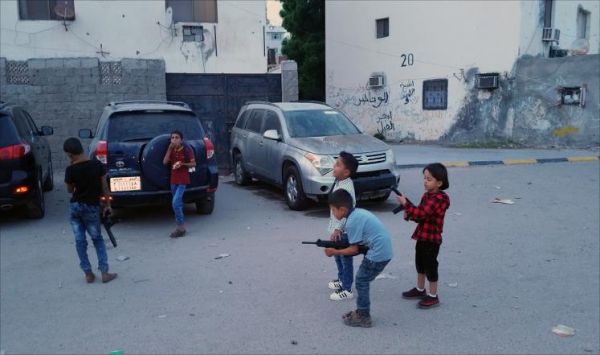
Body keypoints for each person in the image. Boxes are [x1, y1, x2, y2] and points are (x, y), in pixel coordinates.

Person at [324, 189, 393, 327]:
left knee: (361, 280)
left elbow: (353, 249)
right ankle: (361, 310)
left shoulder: (352, 221)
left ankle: (363, 315)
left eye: (333, 210)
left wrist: (334, 252)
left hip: (378, 254)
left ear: (342, 209)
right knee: (363, 280)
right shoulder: (356, 214)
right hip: (382, 250)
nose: (332, 213)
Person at [63, 137, 117, 284]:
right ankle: (104, 272)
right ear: (81, 149)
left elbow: (70, 190)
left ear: (70, 154)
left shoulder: (70, 169)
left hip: (75, 208)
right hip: (91, 207)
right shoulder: (97, 165)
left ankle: (88, 274)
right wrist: (108, 205)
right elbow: (105, 187)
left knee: (80, 241)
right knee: (97, 239)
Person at [397, 163, 450, 308]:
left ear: (439, 182)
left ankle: (433, 296)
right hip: (422, 236)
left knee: (430, 266)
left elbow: (423, 213)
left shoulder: (440, 198)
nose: (425, 181)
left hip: (432, 240)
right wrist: (407, 212)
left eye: (429, 179)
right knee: (420, 264)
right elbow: (419, 216)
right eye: (425, 178)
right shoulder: (427, 195)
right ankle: (420, 289)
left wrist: (406, 205)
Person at [327, 151, 359, 301]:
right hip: (337, 229)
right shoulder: (340, 182)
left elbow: (346, 210)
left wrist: (338, 229)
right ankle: (341, 280)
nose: (334, 166)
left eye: (338, 164)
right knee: (338, 256)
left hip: (343, 230)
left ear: (346, 172)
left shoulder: (346, 188)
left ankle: (347, 288)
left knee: (345, 257)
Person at [162, 130, 196, 238]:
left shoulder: (186, 149)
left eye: (177, 137)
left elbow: (193, 163)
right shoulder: (171, 150)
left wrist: (183, 164)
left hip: (183, 180)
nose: (174, 140)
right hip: (173, 180)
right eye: (172, 138)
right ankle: (181, 227)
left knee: (175, 203)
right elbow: (165, 162)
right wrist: (169, 148)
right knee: (178, 204)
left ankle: (180, 227)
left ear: (181, 139)